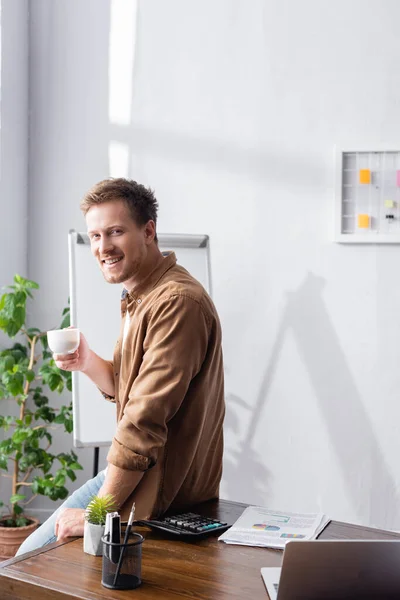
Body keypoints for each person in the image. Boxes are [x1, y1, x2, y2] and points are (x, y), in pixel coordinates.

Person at [17, 178, 225, 555]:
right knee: (26, 557)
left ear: (148, 231)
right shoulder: (141, 296)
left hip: (158, 489)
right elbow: (128, 386)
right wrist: (86, 361)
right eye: (95, 236)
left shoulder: (177, 302)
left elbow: (143, 418)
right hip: (135, 475)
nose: (102, 247)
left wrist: (98, 513)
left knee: (27, 559)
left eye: (114, 232)